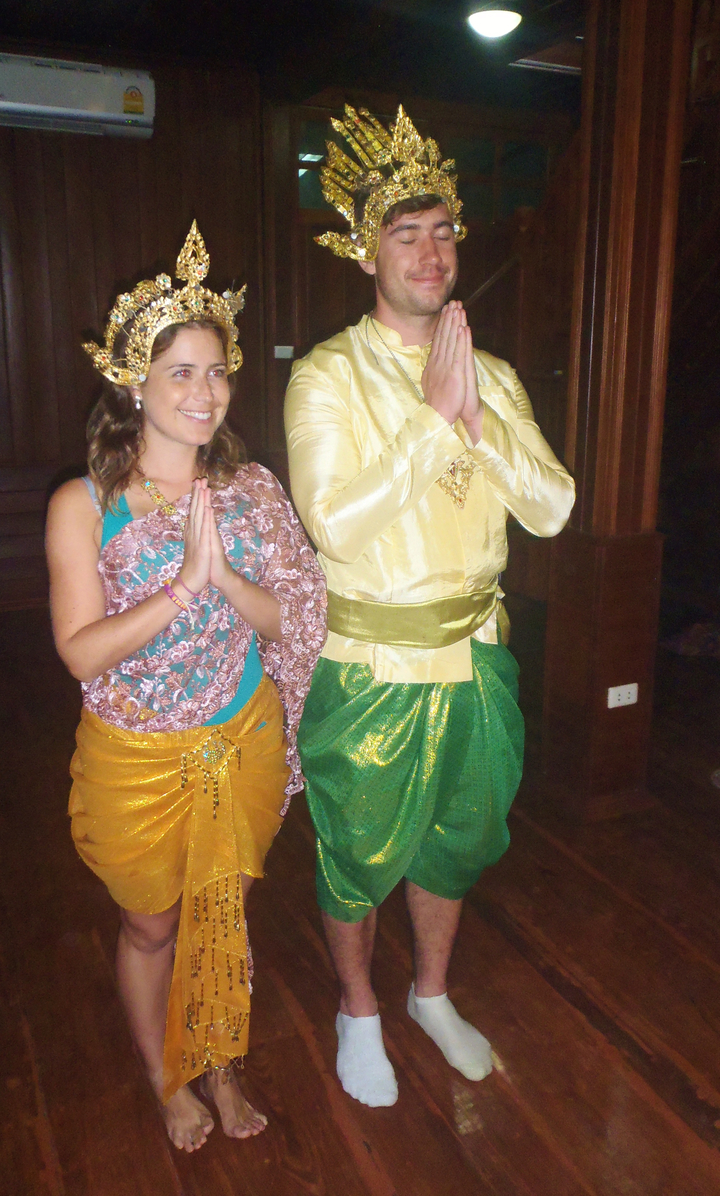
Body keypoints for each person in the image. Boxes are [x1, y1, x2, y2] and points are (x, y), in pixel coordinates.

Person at [284, 106, 575, 1108]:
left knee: (456, 839)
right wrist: (427, 422)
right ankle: (358, 1005)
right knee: (358, 855)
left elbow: (555, 504)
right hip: (373, 669)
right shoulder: (325, 375)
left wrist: (477, 416)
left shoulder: (489, 374)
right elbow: (334, 528)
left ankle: (431, 992)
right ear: (366, 249)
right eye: (405, 232)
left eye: (444, 229)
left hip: (478, 660)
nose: (430, 249)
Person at [46, 223, 326, 1150]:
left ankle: (220, 1059)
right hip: (135, 757)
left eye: (217, 372)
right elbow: (82, 654)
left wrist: (225, 580)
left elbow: (293, 616)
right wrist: (180, 592)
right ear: (135, 383)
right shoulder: (83, 504)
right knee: (152, 925)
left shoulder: (249, 487)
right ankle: (169, 1077)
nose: (205, 394)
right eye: (181, 373)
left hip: (238, 735)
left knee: (223, 909)